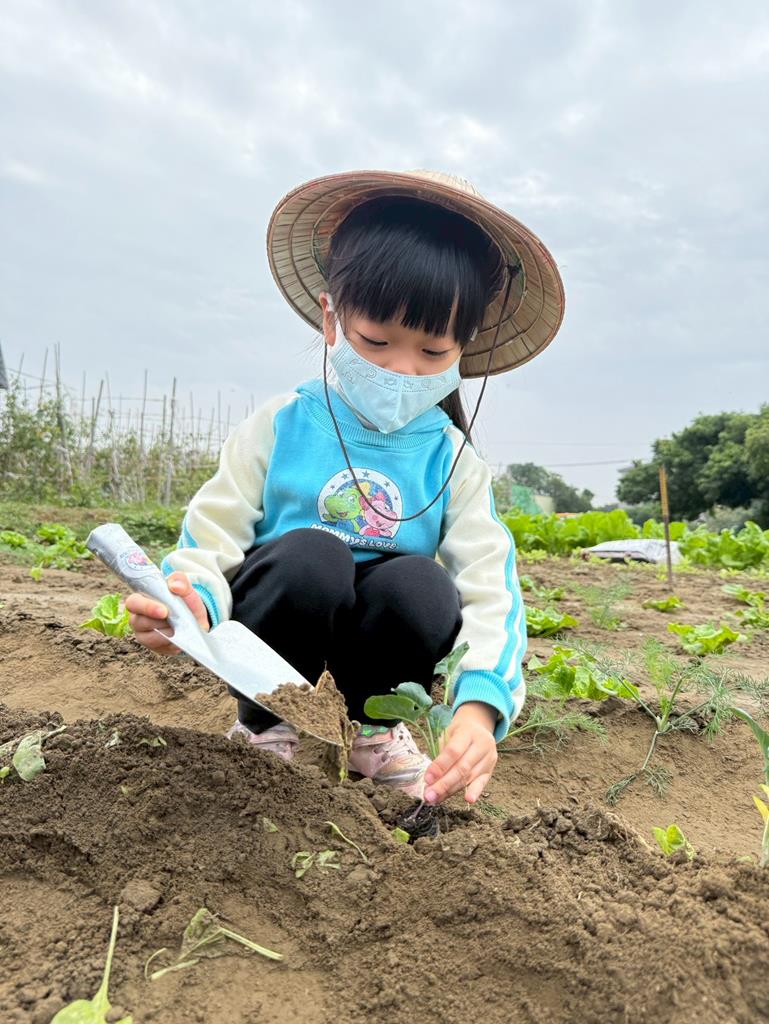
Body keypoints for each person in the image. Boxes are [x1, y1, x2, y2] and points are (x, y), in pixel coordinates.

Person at [125, 170, 564, 806]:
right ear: (332, 317)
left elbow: (490, 587)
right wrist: (188, 605)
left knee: (423, 585)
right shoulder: (283, 423)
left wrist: (479, 708)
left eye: (432, 352)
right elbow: (214, 531)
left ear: (464, 349)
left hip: (377, 639)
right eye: (377, 341)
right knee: (314, 557)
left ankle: (372, 732)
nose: (402, 369)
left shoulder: (453, 460)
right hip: (282, 613)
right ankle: (266, 724)